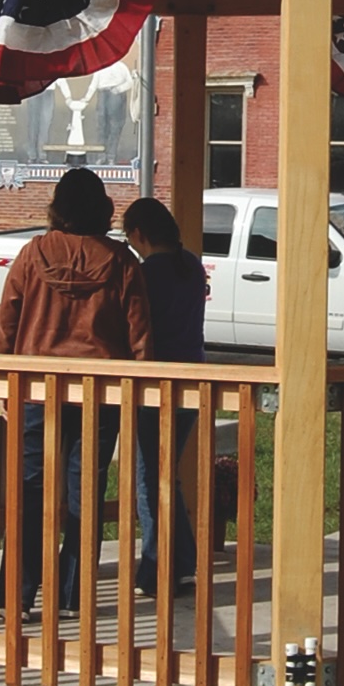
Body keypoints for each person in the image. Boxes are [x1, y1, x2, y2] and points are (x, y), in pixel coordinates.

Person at [0, 166, 151, 616]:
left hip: (35, 389)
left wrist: (5, 383)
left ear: (57, 208)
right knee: (86, 493)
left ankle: (15, 596)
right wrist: (137, 392)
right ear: (103, 209)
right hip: (99, 393)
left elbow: (6, 323)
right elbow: (140, 336)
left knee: (28, 492)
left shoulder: (32, 253)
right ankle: (72, 594)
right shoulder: (122, 262)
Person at [122, 197, 207, 594]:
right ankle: (183, 560)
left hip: (154, 383)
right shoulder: (189, 264)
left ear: (139, 235)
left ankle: (158, 567)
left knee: (148, 478)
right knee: (164, 473)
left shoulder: (145, 273)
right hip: (192, 378)